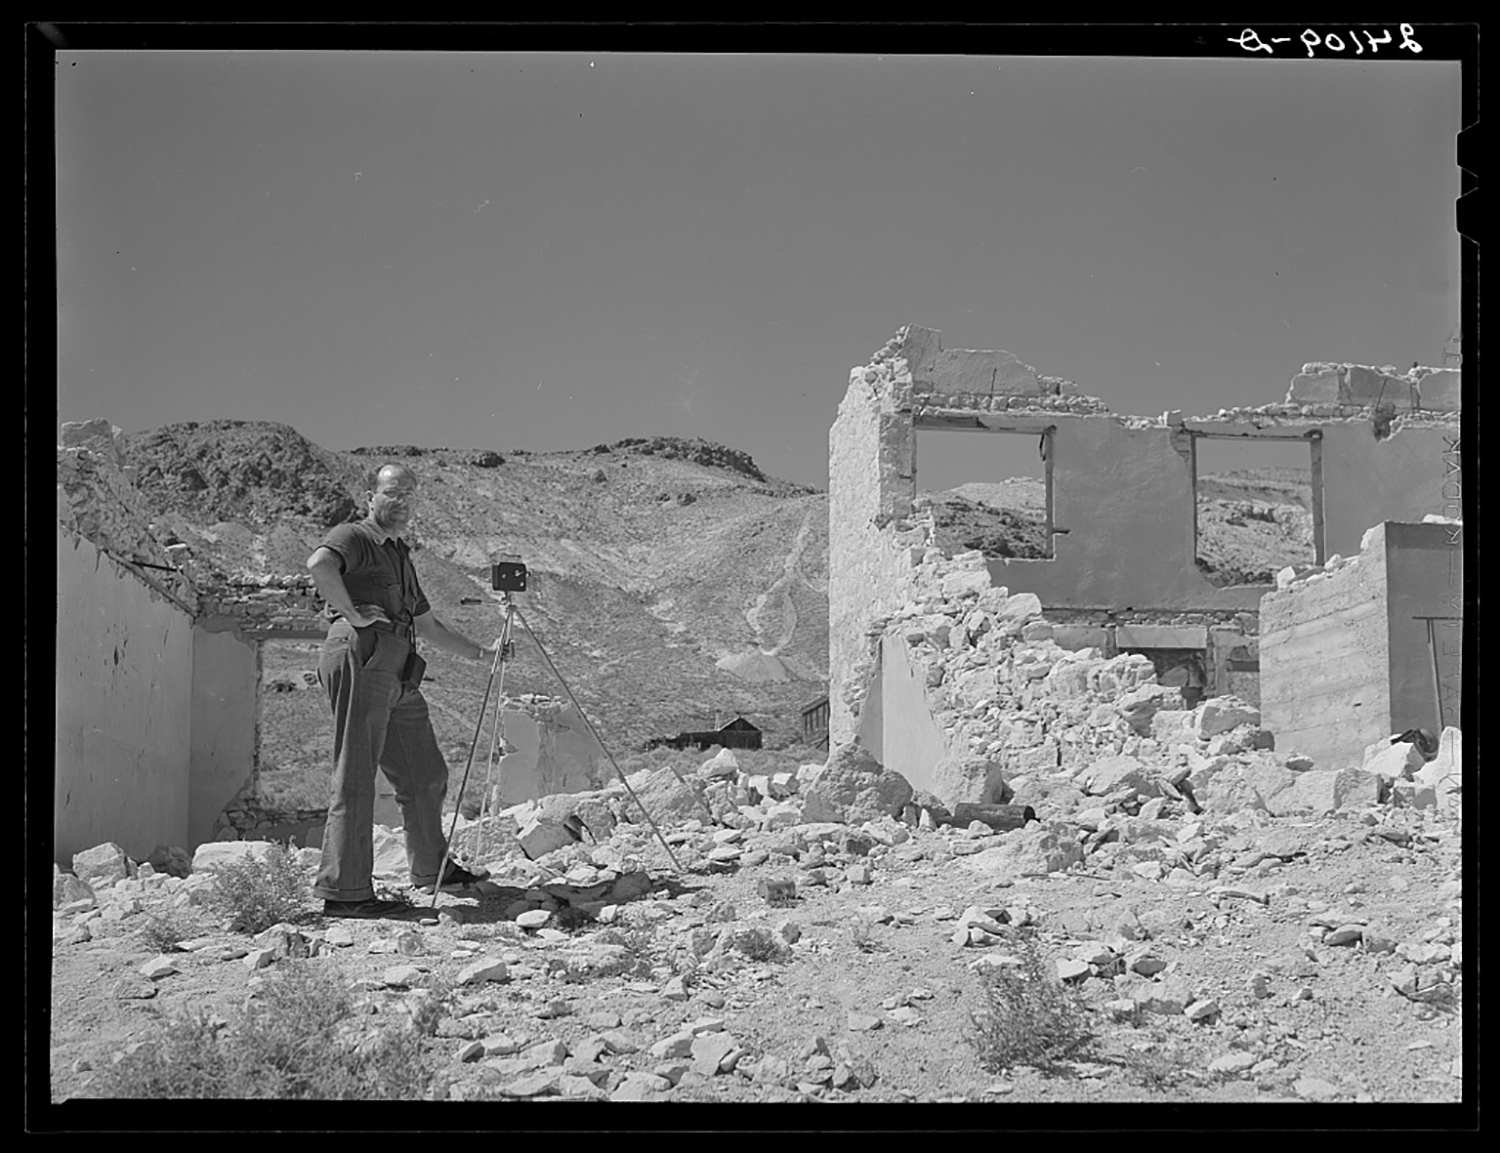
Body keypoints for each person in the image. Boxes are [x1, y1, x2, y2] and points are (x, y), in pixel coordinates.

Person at [305, 461, 505, 918]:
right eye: (392, 493)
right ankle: (345, 892)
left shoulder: (400, 554)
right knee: (356, 773)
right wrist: (353, 614)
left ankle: (431, 868)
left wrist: (483, 654)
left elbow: (428, 625)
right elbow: (319, 565)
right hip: (362, 654)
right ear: (370, 496)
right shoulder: (354, 536)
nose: (401, 503)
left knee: (425, 772)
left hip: (398, 669)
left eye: (409, 496)